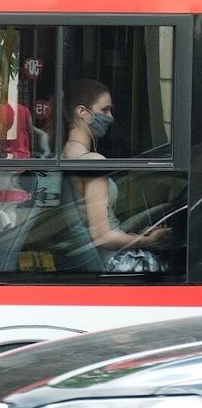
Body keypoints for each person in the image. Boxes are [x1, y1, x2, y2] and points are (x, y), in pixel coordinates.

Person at [61, 78, 168, 269]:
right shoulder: (93, 162)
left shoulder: (66, 154)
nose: (110, 117)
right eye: (105, 110)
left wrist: (136, 235)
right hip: (113, 260)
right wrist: (148, 240)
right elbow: (103, 236)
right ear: (82, 112)